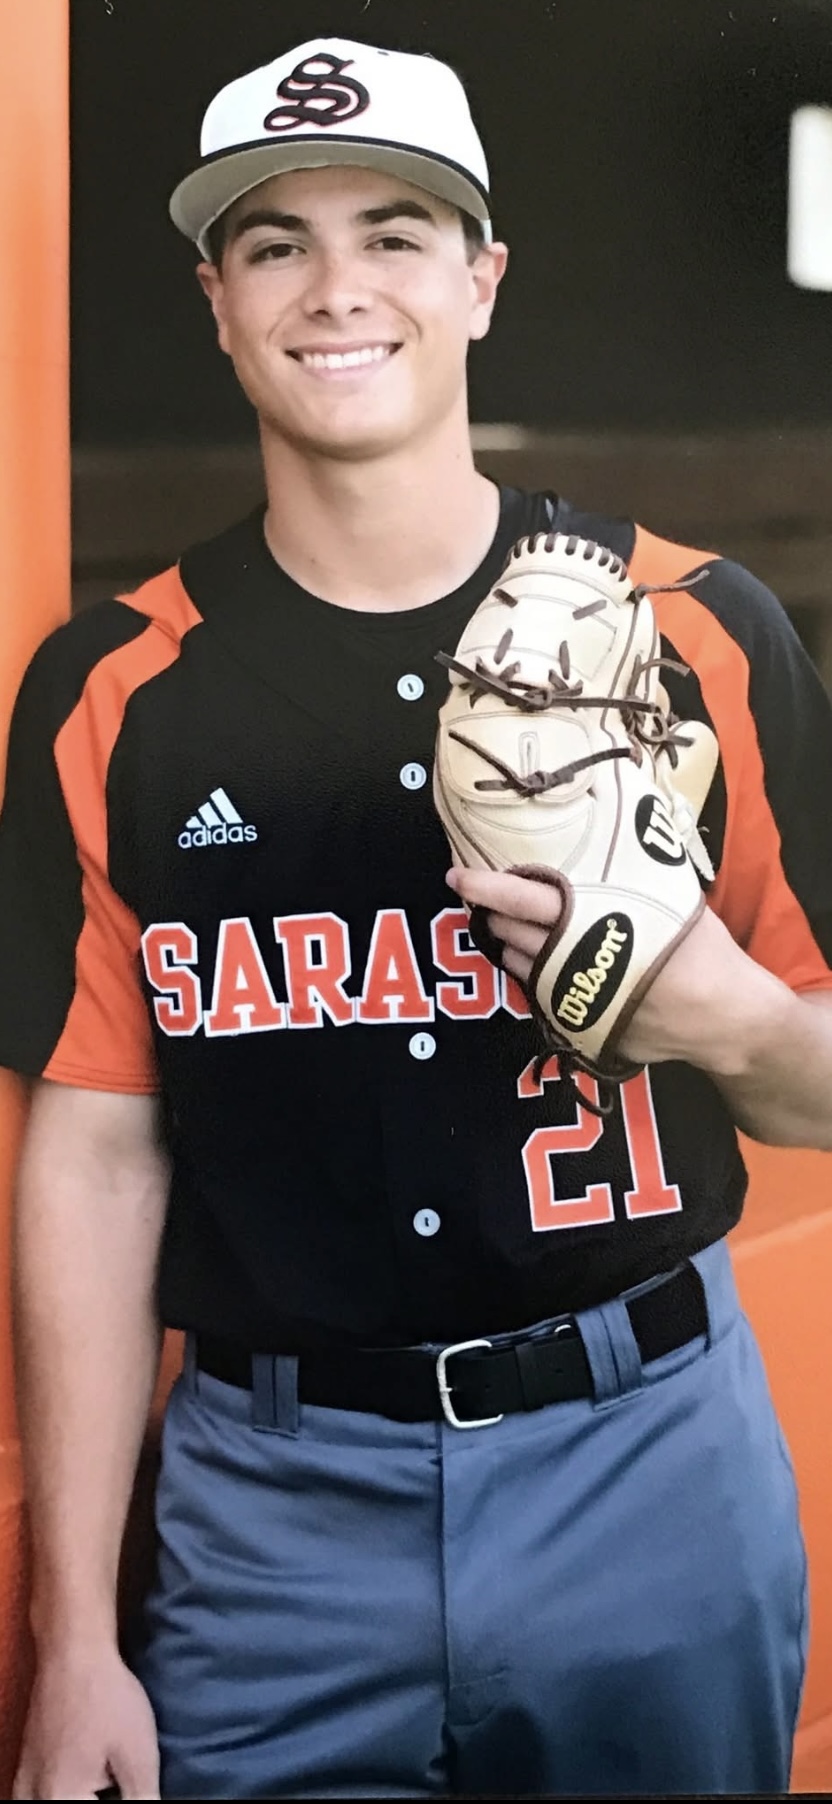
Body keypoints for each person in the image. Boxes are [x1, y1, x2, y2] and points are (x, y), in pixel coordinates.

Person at [3, 34, 832, 1802]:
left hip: (646, 1469)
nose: (335, 288)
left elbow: (818, 1079)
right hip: (270, 1516)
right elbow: (92, 1153)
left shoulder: (693, 630)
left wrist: (731, 1024)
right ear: (215, 301)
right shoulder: (114, 690)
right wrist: (76, 1639)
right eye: (274, 242)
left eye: (394, 229)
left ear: (482, 278)